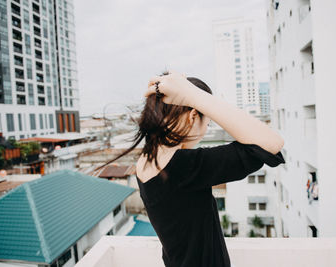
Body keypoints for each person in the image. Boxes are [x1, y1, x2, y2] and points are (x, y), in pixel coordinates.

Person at [101, 70, 285, 266]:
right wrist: (194, 95)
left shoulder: (145, 162)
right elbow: (271, 143)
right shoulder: (183, 167)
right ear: (193, 116)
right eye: (207, 122)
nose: (205, 130)